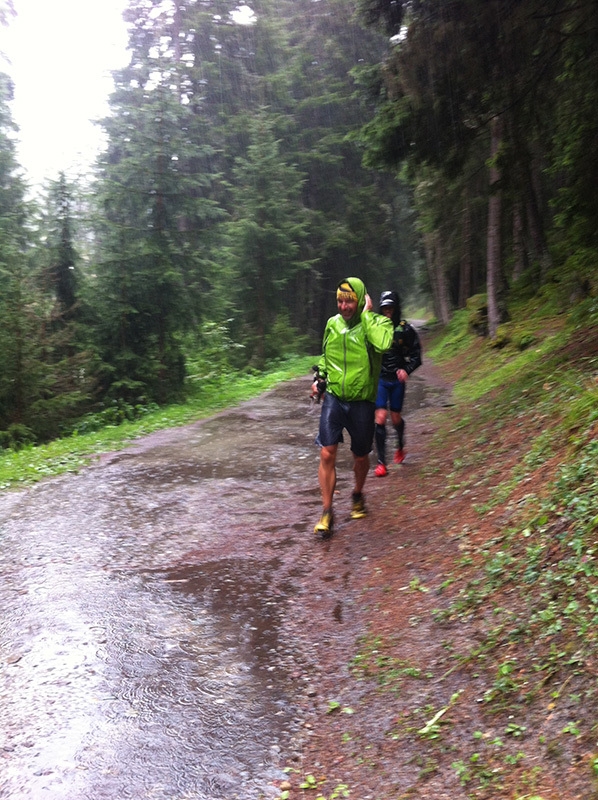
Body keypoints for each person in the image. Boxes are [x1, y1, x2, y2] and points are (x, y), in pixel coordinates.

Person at [312, 277, 394, 537]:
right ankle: (327, 512)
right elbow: (326, 354)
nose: (344, 306)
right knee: (327, 452)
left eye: (349, 300)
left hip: (362, 402)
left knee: (361, 456)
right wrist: (320, 379)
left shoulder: (378, 323)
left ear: (360, 300)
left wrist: (368, 316)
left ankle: (357, 494)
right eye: (339, 300)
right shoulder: (332, 325)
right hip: (335, 398)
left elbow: (383, 344)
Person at [373, 290, 422, 477]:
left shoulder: (405, 329)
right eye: (385, 308)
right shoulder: (375, 328)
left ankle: (400, 444)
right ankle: (381, 463)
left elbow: (417, 356)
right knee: (380, 417)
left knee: (395, 418)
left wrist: (406, 370)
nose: (388, 312)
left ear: (396, 308)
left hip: (397, 381)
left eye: (391, 308)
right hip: (380, 379)